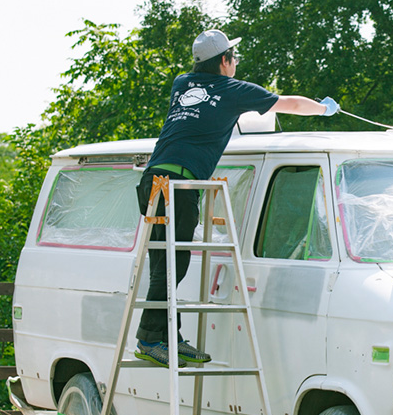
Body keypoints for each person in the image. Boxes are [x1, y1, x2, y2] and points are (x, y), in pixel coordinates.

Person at [135, 29, 339, 366]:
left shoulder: (182, 83)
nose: (236, 62)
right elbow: (288, 103)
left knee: (168, 263)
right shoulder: (232, 91)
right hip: (177, 186)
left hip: (153, 181)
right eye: (234, 57)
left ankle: (168, 336)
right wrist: (322, 108)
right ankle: (150, 338)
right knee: (172, 264)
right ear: (225, 61)